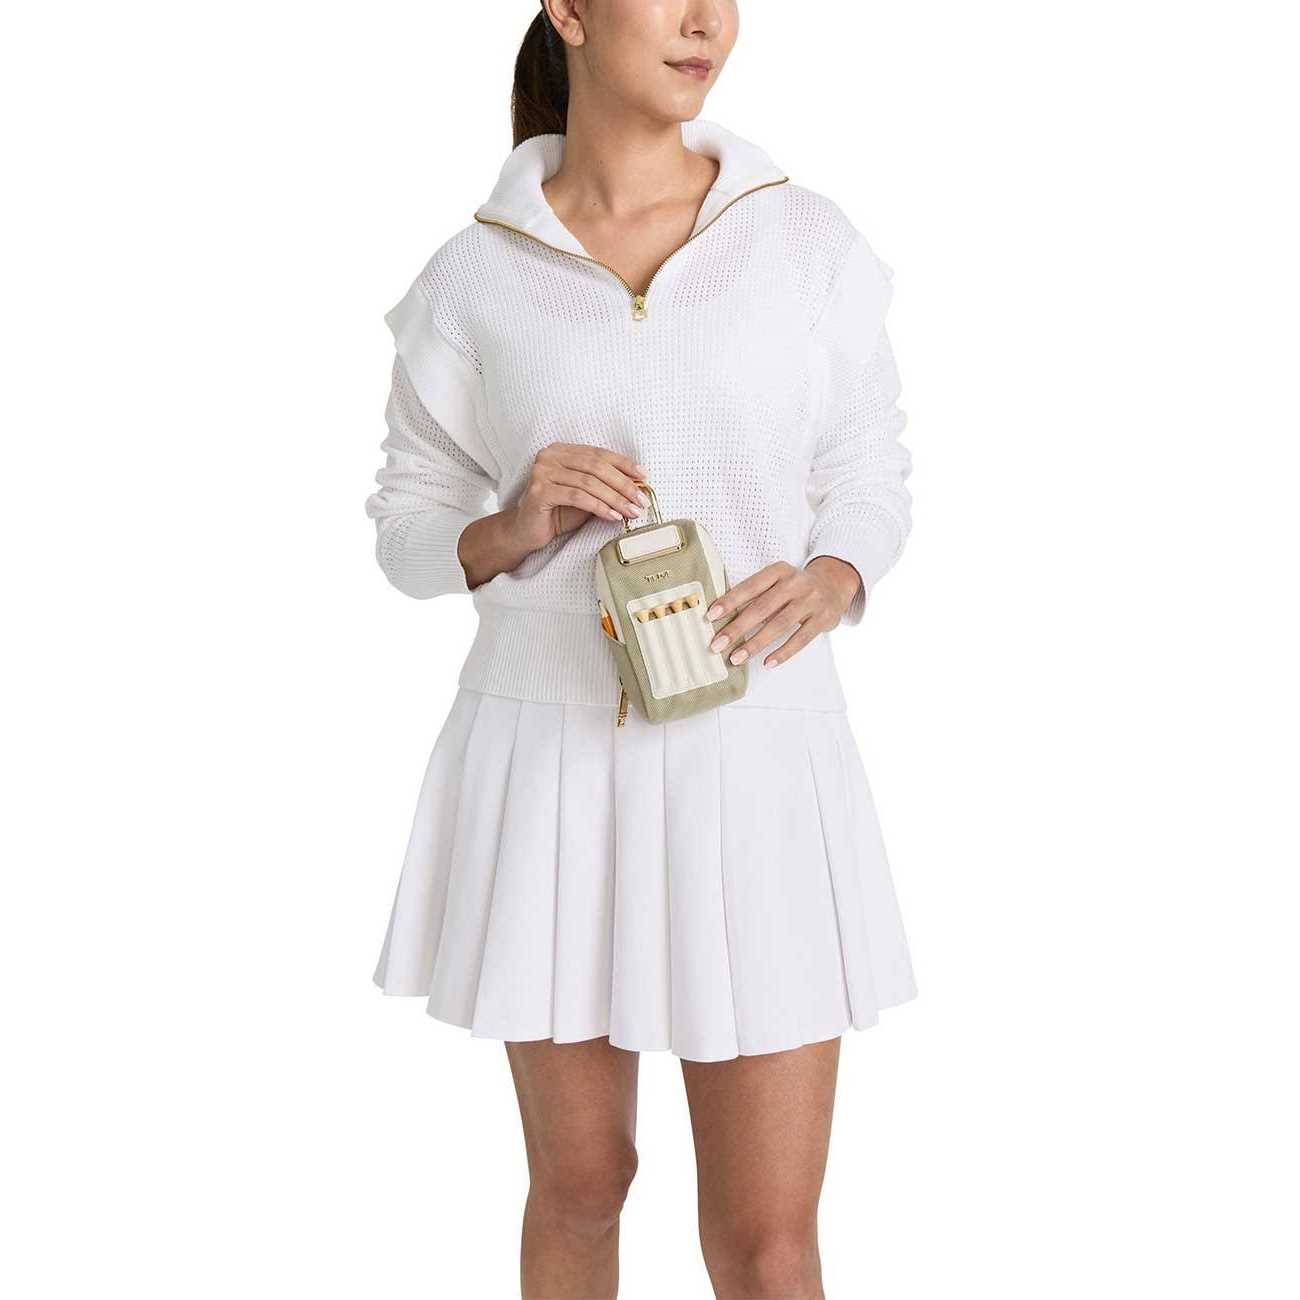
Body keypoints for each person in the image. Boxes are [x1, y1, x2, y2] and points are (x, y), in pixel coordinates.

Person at [364, 3, 917, 1296]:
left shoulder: (801, 241)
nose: (706, 20)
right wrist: (514, 524)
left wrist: (835, 574)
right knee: (579, 1189)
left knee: (767, 1241)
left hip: (759, 756)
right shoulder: (474, 274)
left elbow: (869, 469)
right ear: (569, 9)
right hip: (551, 762)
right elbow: (405, 527)